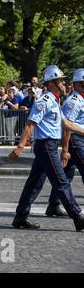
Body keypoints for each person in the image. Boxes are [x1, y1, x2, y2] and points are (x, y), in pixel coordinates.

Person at [8, 65, 84, 231]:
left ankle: (20, 217)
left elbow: (67, 124)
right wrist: (20, 147)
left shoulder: (55, 101)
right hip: (46, 146)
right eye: (61, 80)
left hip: (48, 146)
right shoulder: (44, 102)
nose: (64, 83)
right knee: (61, 181)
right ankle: (77, 216)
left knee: (34, 183)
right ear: (51, 83)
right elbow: (30, 125)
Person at [47, 68, 84, 217]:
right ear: (79, 84)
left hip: (78, 139)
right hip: (75, 141)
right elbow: (66, 126)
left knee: (65, 175)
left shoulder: (81, 98)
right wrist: (65, 149)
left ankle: (53, 205)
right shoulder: (73, 101)